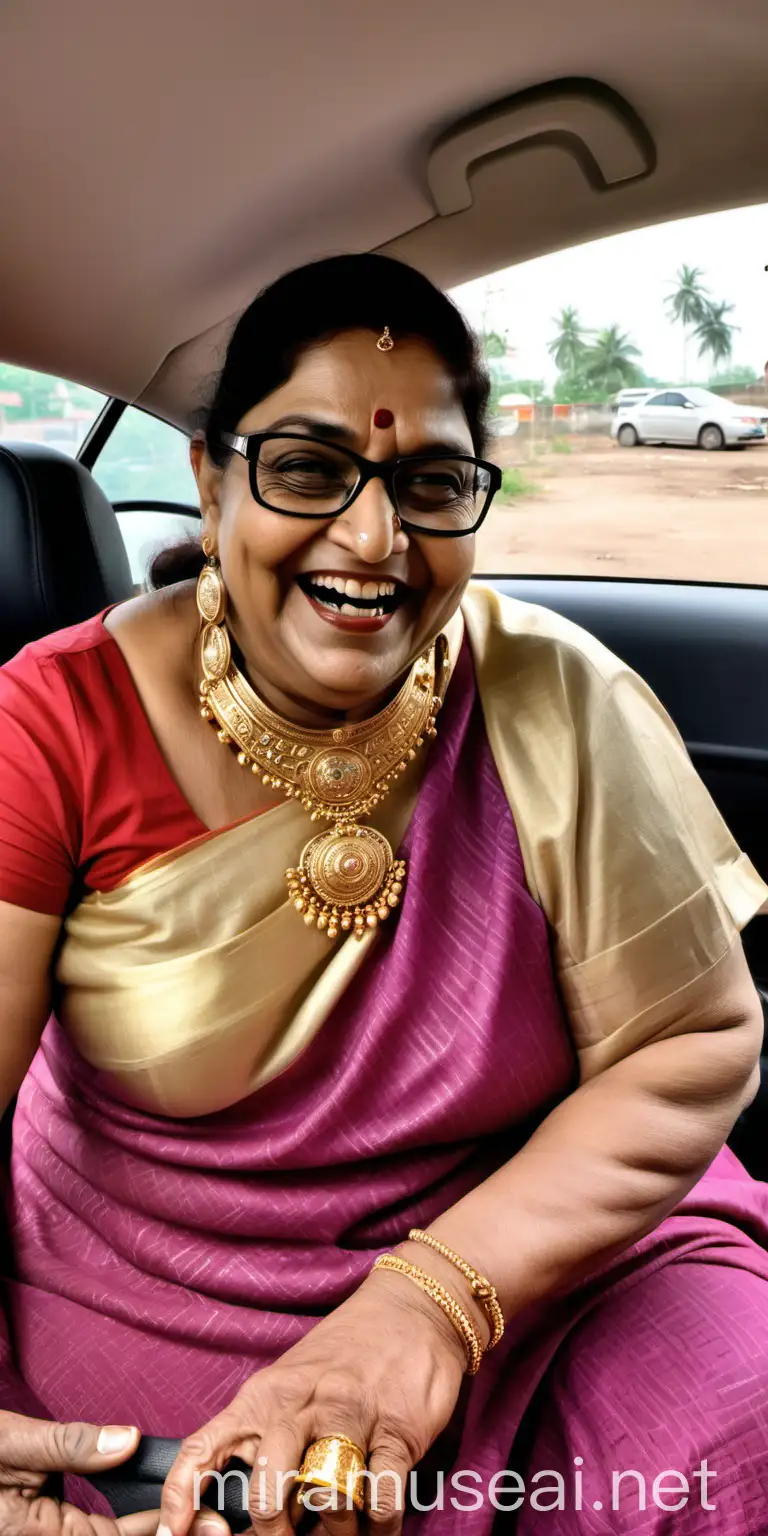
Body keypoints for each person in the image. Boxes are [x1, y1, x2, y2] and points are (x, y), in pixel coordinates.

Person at [1, 253, 768, 1536]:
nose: (375, 539)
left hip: (537, 1260)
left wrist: (426, 1303)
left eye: (430, 484)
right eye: (307, 469)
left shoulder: (556, 701)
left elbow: (692, 1044)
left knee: (731, 1433)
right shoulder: (54, 723)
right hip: (152, 1290)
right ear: (209, 477)